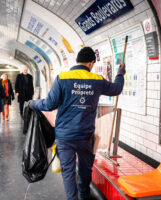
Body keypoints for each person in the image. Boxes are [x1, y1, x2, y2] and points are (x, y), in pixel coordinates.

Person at [28, 47, 125, 200]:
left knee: (68, 171)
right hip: (86, 136)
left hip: (65, 136)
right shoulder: (97, 80)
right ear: (91, 63)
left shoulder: (62, 77)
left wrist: (33, 104)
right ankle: (85, 195)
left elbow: (49, 104)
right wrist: (120, 74)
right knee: (86, 169)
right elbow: (117, 89)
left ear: (78, 61)